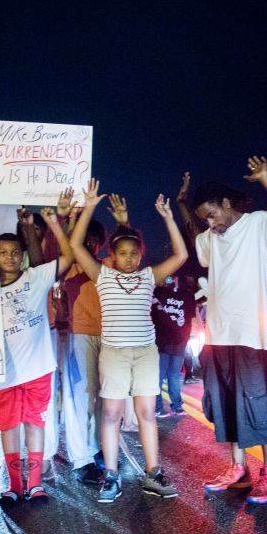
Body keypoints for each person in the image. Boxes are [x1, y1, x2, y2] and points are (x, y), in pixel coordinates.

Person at [69, 179, 188, 503]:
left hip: (145, 353)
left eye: (134, 253)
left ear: (140, 255)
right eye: (123, 253)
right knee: (111, 414)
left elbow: (181, 254)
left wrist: (167, 217)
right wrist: (89, 207)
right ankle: (111, 475)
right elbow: (77, 247)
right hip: (115, 353)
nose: (129, 258)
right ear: (113, 255)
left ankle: (153, 473)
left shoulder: (148, 275)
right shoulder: (103, 275)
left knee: (147, 413)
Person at [188, 157, 267, 505]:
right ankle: (238, 468)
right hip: (219, 335)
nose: (210, 222)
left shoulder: (260, 224)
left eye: (212, 214)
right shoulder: (209, 238)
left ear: (225, 204)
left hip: (251, 334)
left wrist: (266, 179)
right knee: (226, 405)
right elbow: (204, 256)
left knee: (258, 401)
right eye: (204, 218)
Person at [0, 209, 73, 508]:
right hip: (1, 373)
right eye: (3, 253)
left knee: (34, 424)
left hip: (37, 368)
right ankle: (14, 486)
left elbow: (68, 255)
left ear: (23, 254)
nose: (10, 257)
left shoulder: (36, 277)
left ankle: (35, 484)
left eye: (15, 252)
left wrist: (52, 223)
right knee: (8, 428)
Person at [59, 190, 136, 485]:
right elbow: (69, 243)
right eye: (85, 239)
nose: (89, 244)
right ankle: (81, 460)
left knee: (107, 399)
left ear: (102, 243)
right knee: (81, 399)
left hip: (111, 338)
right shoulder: (71, 265)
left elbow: (126, 250)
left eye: (95, 240)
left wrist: (123, 224)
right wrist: (74, 217)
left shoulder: (109, 267)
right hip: (81, 337)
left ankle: (103, 448)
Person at [152, 274, 197, 417]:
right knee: (159, 376)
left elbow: (190, 318)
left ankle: (177, 406)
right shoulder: (159, 292)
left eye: (173, 277)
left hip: (178, 344)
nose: (170, 280)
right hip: (162, 342)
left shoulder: (188, 296)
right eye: (168, 277)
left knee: (174, 376)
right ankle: (158, 408)